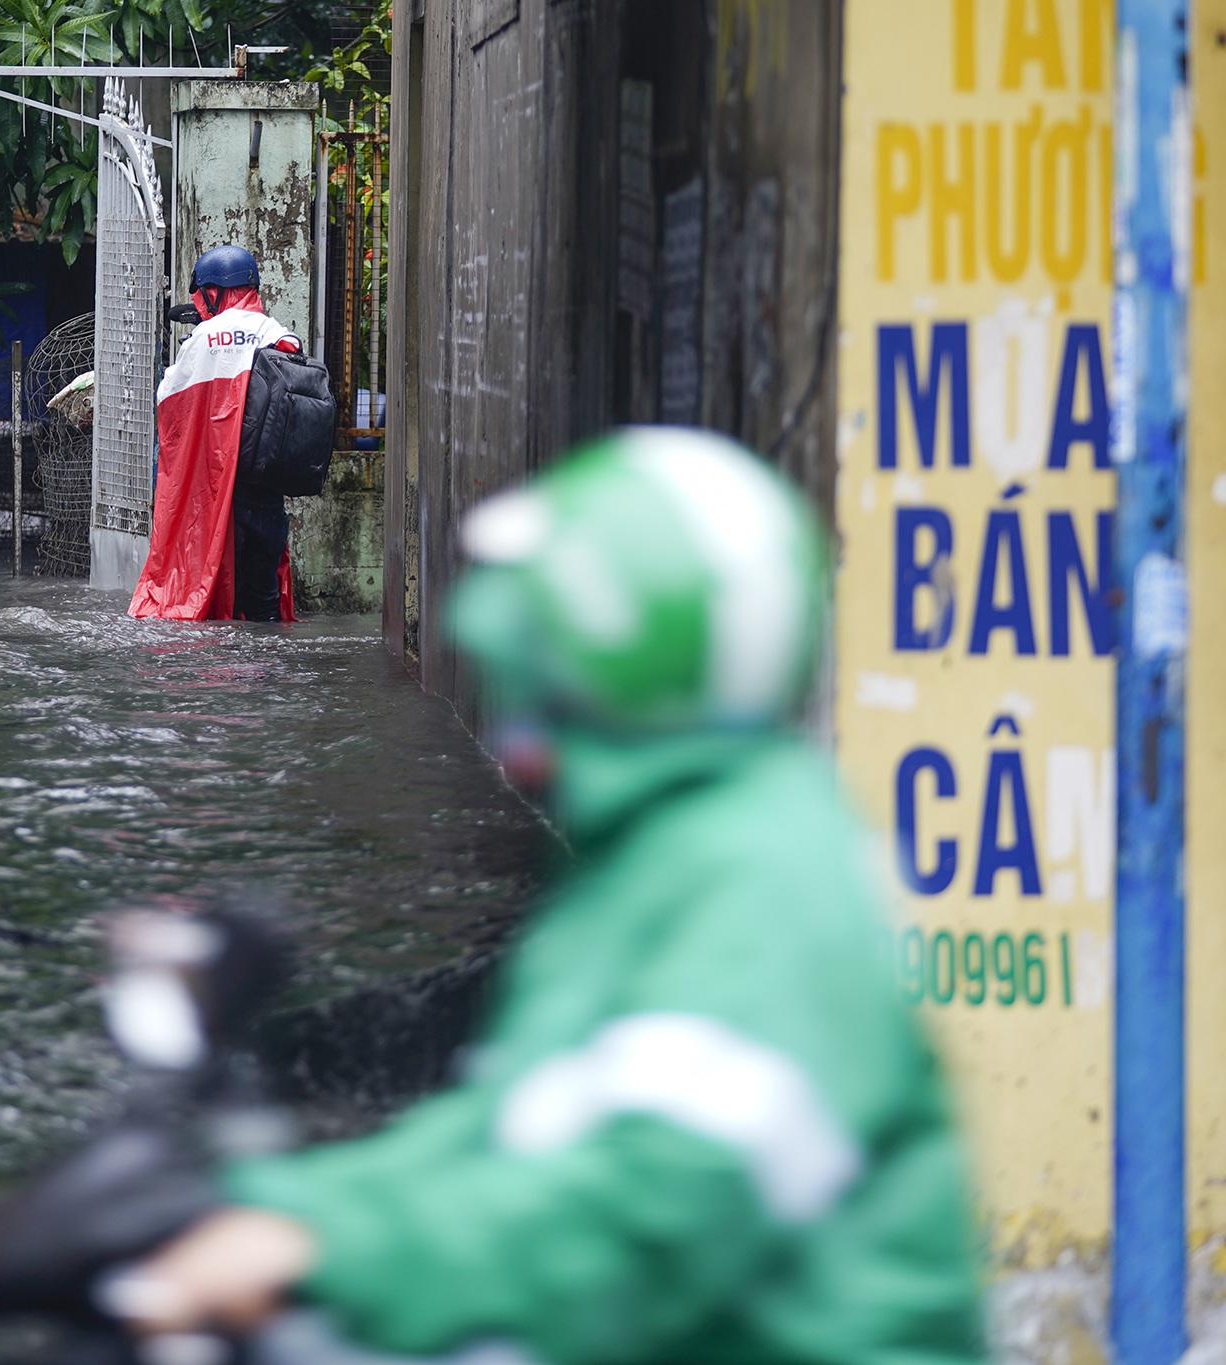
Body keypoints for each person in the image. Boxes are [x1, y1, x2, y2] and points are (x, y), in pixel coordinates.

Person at [113, 428, 985, 1364]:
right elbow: (500, 1124)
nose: (523, 734)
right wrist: (280, 1210)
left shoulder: (774, 888)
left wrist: (327, 1250)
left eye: (551, 679)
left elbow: (640, 1220)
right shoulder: (638, 869)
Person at [130, 244, 303, 623]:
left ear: (214, 291)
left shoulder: (203, 338)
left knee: (219, 602)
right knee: (263, 601)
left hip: (219, 492)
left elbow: (170, 405)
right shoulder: (281, 335)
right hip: (268, 490)